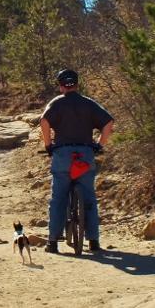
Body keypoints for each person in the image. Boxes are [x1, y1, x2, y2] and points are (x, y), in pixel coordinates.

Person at [40, 69, 114, 254]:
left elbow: (44, 122)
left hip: (63, 155)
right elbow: (108, 123)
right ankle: (94, 241)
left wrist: (49, 145)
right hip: (85, 154)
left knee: (58, 199)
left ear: (60, 86)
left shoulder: (56, 103)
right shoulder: (88, 103)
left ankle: (52, 242)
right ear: (77, 84)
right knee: (89, 198)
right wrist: (100, 145)